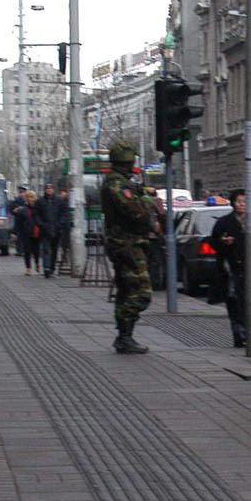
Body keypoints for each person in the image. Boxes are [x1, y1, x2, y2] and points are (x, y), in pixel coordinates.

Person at [100, 141, 160, 354]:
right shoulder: (116, 184)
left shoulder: (122, 182)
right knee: (141, 293)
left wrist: (142, 191)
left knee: (126, 291)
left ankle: (125, 336)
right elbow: (135, 210)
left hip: (128, 243)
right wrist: (148, 200)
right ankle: (124, 334)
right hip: (126, 244)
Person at [210, 188, 248, 347]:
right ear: (233, 203)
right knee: (234, 300)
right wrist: (222, 241)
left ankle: (247, 331)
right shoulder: (224, 222)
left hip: (250, 268)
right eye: (239, 202)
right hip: (231, 267)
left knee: (249, 301)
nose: (242, 205)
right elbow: (213, 241)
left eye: (245, 202)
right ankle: (239, 333)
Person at [32, 183, 63, 278]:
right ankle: (46, 268)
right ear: (45, 190)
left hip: (56, 229)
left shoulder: (59, 201)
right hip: (45, 229)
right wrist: (41, 224)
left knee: (54, 249)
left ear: (53, 189)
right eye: (47, 188)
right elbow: (35, 214)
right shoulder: (40, 202)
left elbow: (64, 214)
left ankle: (52, 268)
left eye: (51, 188)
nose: (49, 190)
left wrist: (60, 224)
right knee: (46, 249)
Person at [12, 189, 36, 275]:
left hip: (37, 232)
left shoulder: (38, 208)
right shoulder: (22, 209)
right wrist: (14, 232)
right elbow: (18, 222)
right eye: (28, 197)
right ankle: (28, 268)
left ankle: (37, 264)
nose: (30, 199)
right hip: (26, 233)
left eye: (32, 197)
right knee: (27, 251)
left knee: (36, 250)